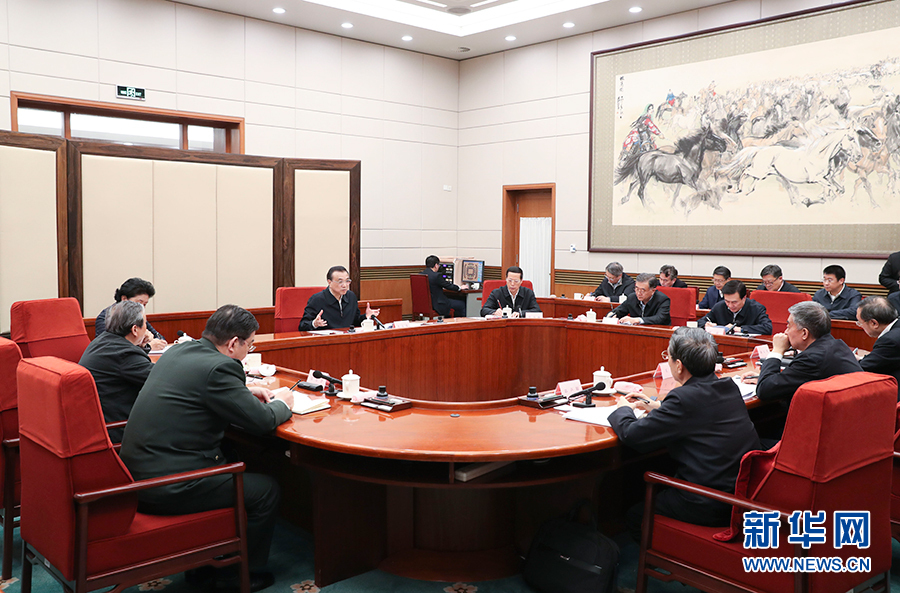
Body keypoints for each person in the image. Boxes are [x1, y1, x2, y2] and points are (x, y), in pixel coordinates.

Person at [120, 305, 294, 592]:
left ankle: (206, 563)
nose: (248, 352)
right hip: (170, 486)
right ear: (233, 343)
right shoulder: (222, 367)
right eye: (249, 345)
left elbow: (196, 388)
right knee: (266, 490)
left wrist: (244, 392)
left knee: (233, 454)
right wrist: (283, 403)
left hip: (136, 476)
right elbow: (262, 421)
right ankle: (238, 575)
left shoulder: (179, 351)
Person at [609, 328, 760, 539]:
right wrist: (659, 407)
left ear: (679, 366)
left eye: (668, 357)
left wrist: (623, 409)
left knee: (635, 515)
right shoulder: (727, 386)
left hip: (708, 501)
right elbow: (700, 412)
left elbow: (632, 435)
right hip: (742, 495)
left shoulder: (683, 399)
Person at [746, 301, 861, 405]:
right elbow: (800, 377)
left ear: (804, 333)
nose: (785, 332)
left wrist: (777, 350)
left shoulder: (811, 359)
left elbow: (764, 390)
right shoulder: (838, 345)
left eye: (788, 326)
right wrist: (766, 378)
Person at [78, 300, 153, 442]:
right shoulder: (125, 354)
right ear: (135, 329)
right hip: (118, 431)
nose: (147, 329)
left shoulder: (102, 341)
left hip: (96, 425)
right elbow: (163, 379)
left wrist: (140, 345)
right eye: (145, 323)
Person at [299, 266, 379, 330]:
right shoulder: (317, 299)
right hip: (327, 341)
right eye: (340, 282)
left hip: (348, 339)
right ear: (329, 282)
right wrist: (314, 324)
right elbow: (302, 326)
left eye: (347, 281)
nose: (344, 285)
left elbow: (355, 322)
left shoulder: (351, 297)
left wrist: (366, 316)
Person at [95, 277, 166, 351]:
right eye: (139, 303)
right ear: (124, 299)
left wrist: (150, 339)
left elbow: (160, 339)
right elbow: (111, 348)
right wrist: (146, 346)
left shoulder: (138, 315)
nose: (142, 308)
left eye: (145, 304)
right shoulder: (106, 318)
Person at [855, 297, 900, 400]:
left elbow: (863, 368)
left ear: (874, 323)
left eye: (860, 323)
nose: (860, 326)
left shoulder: (890, 340)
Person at [698, 280, 772, 334]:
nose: (730, 305)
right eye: (727, 301)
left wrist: (740, 329)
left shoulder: (756, 308)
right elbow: (700, 322)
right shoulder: (719, 306)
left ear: (744, 298)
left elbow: (767, 328)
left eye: (734, 302)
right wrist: (706, 324)